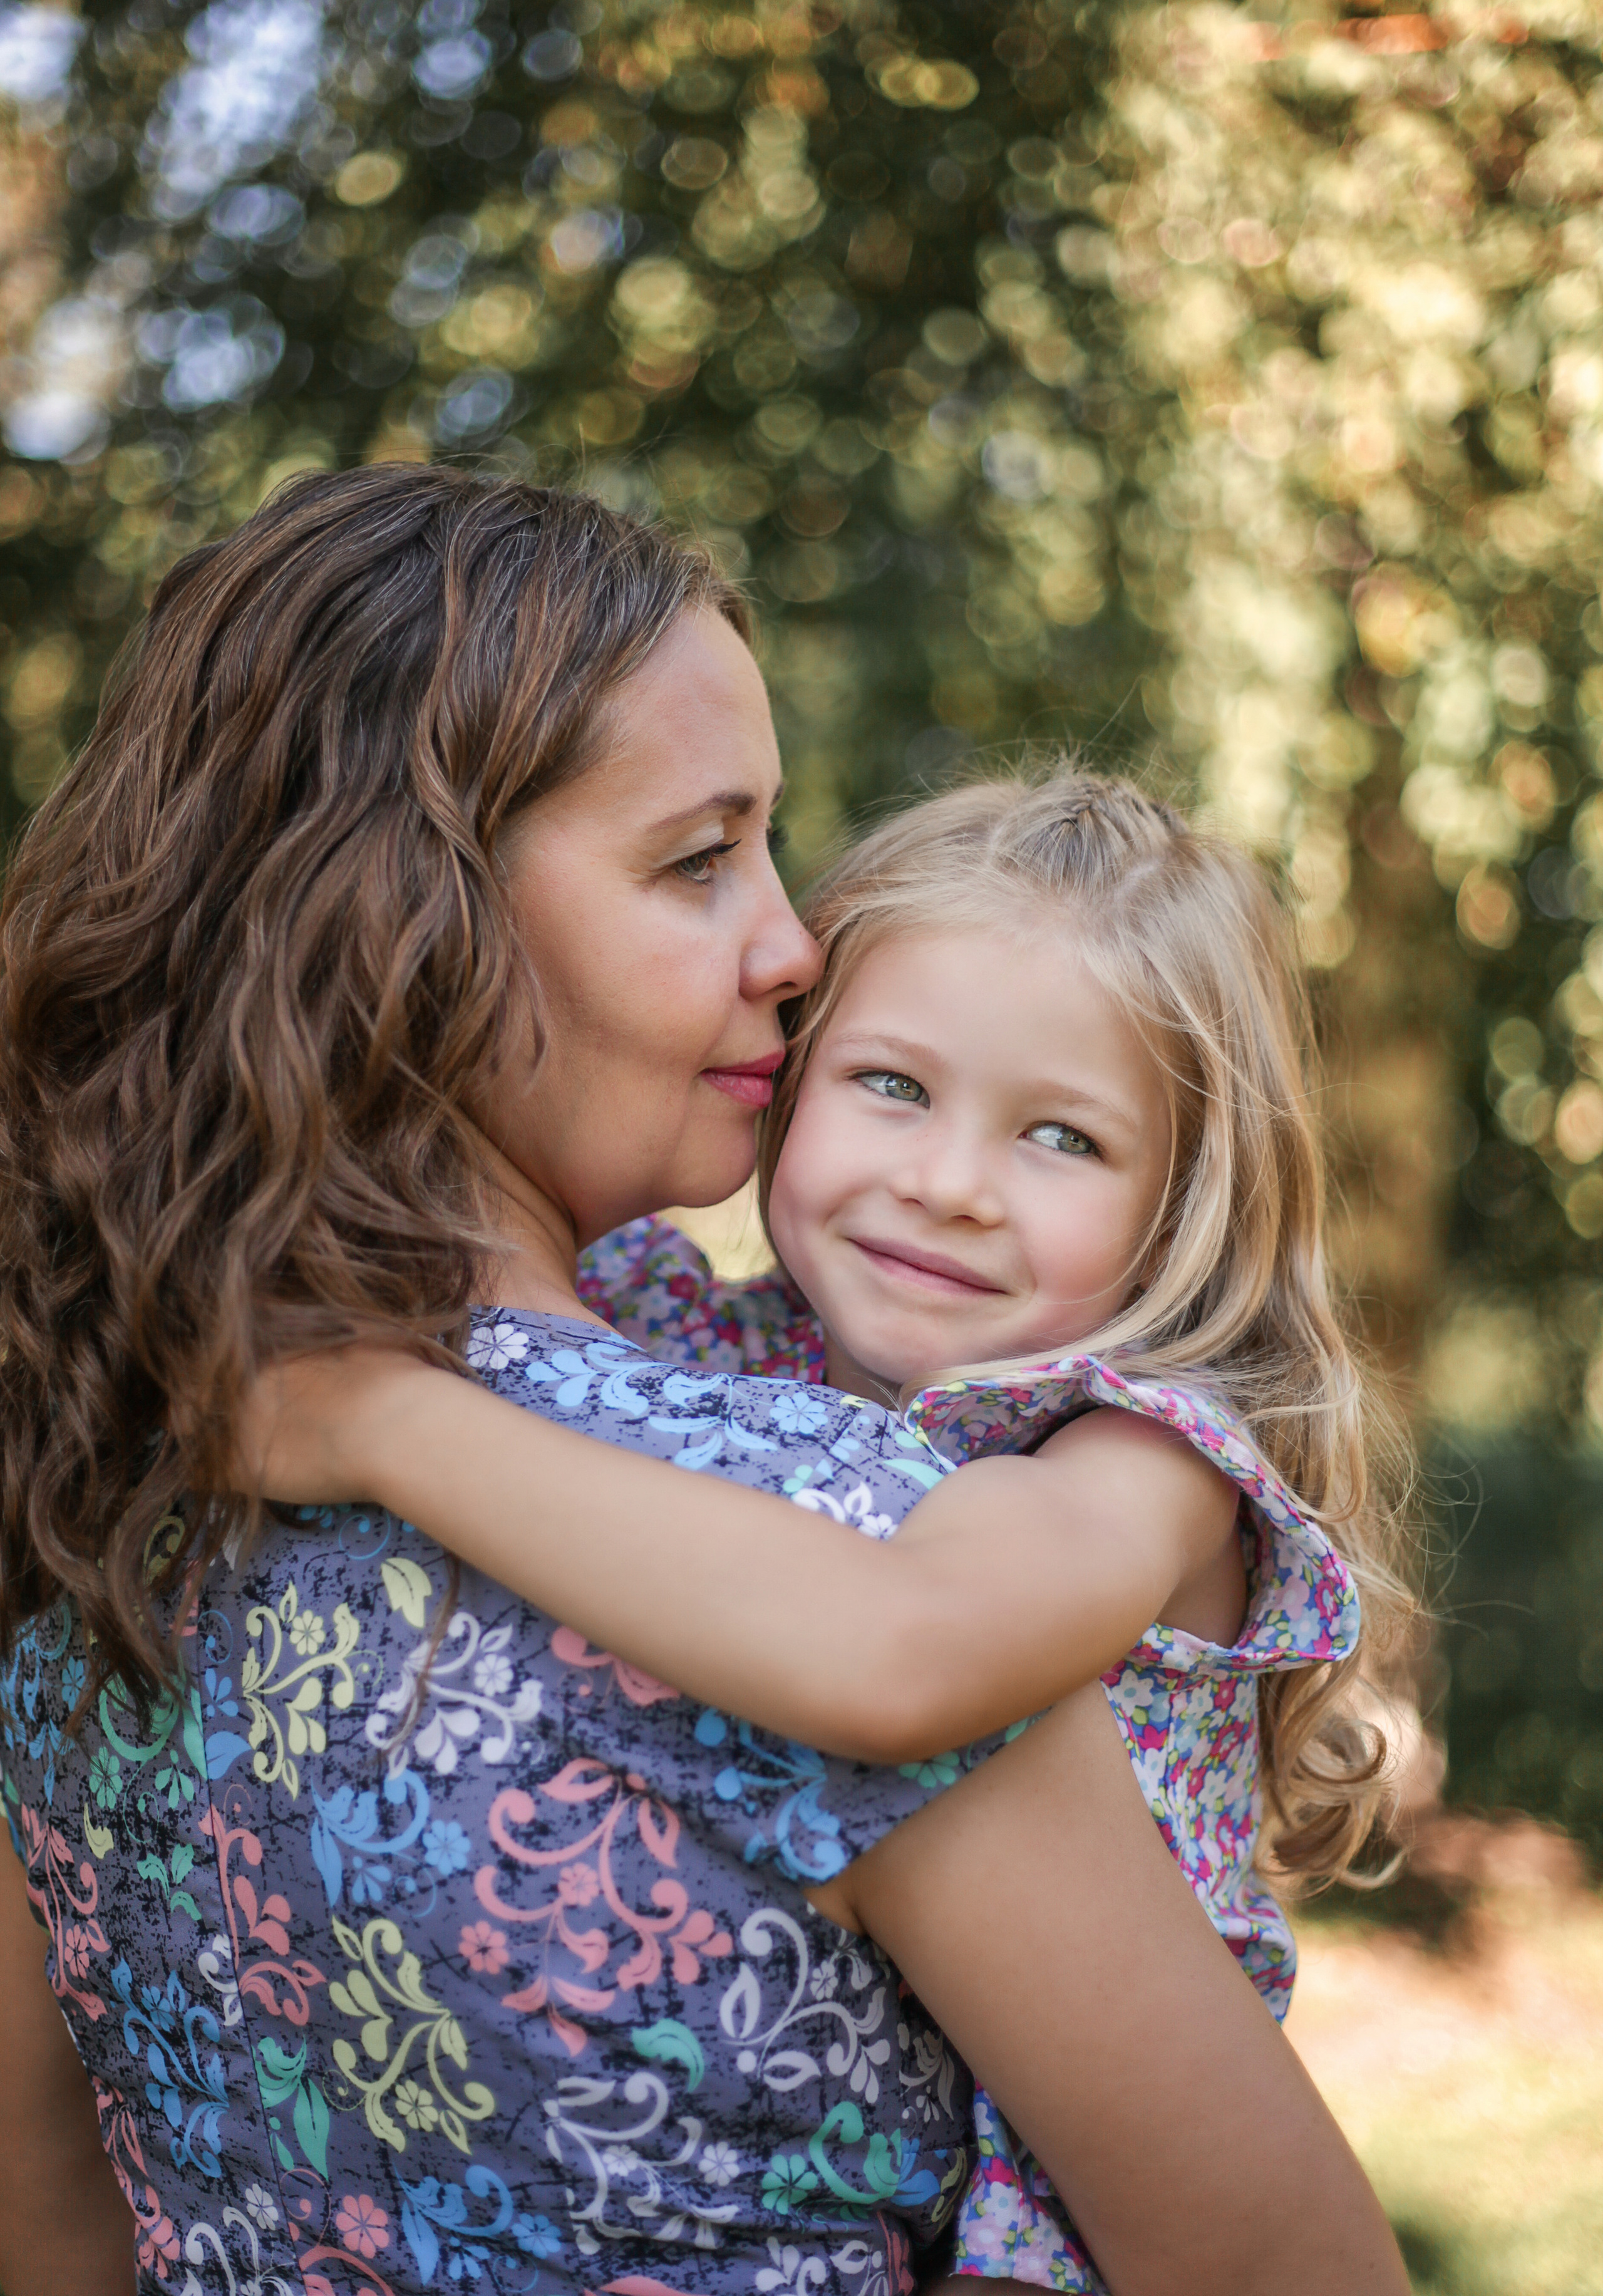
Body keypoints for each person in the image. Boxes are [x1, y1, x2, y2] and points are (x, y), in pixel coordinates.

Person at [0, 466, 1409, 2296]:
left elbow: (50, 2203)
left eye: (1062, 1136)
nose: (795, 947)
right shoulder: (803, 1511)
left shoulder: (111, 1480)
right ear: (400, 919)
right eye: (697, 858)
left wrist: (376, 1415)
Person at [243, 768, 1416, 2293]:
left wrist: (373, 1426)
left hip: (1062, 2217)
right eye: (892, 1086)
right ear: (782, 1081)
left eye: (1061, 1140)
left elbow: (902, 1651)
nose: (945, 1186)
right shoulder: (690, 1339)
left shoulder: (1138, 1460)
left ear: (1184, 1206)